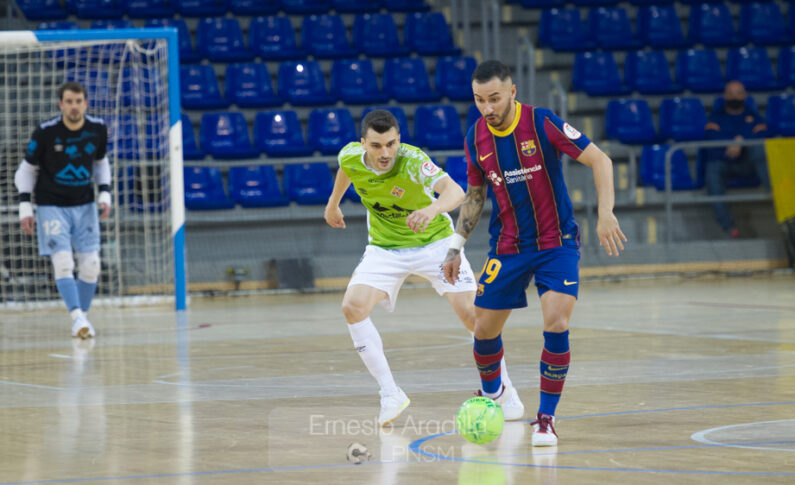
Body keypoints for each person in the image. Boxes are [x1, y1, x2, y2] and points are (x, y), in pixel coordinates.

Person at [442, 60, 627, 446]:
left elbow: (600, 159)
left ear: (512, 92)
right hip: (508, 247)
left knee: (556, 321)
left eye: (494, 98)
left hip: (555, 243)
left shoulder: (542, 122)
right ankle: (495, 396)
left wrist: (605, 212)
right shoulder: (476, 136)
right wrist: (455, 246)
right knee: (483, 329)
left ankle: (545, 419)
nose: (487, 108)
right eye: (479, 100)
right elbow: (475, 195)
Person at [324, 110, 524, 427]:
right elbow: (345, 171)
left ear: (399, 140)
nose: (385, 153)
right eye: (376, 146)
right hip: (385, 249)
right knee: (352, 307)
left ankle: (503, 391)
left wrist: (432, 209)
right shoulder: (349, 156)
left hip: (435, 244)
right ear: (363, 144)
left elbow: (456, 192)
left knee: (475, 318)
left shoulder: (413, 159)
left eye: (391, 144)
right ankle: (390, 393)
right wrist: (333, 202)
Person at [14, 81, 111, 339]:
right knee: (64, 262)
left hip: (84, 204)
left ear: (86, 103)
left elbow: (101, 162)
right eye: (68, 102)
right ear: (61, 105)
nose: (74, 106)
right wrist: (25, 205)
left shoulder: (98, 129)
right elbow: (26, 170)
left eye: (78, 101)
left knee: (91, 265)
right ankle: (77, 317)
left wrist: (105, 192)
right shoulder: (45, 132)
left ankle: (81, 317)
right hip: (51, 205)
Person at [704, 80, 770, 238]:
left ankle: (778, 203)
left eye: (738, 93)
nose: (735, 96)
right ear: (725, 96)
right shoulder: (715, 118)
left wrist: (742, 142)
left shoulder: (754, 118)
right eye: (731, 93)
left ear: (745, 95)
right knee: (712, 169)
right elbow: (711, 142)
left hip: (749, 164)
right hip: (725, 162)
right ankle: (728, 226)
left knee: (761, 150)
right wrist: (734, 144)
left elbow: (763, 135)